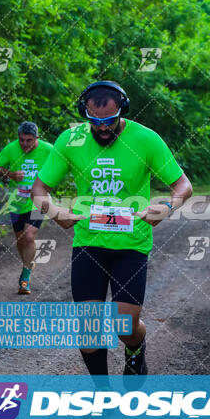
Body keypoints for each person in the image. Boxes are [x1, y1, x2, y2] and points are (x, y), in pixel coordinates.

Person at [31, 80, 193, 379]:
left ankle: (135, 349)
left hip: (131, 244)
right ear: (86, 114)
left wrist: (166, 208)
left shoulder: (146, 139)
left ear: (123, 111)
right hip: (89, 242)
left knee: (125, 324)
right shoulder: (71, 139)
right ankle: (102, 394)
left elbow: (183, 186)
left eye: (110, 121)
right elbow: (39, 189)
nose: (103, 128)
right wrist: (55, 213)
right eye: (95, 121)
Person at [0, 122, 53, 294]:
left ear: (37, 138)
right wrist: (10, 174)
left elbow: (62, 166)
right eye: (22, 140)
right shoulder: (11, 149)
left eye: (29, 140)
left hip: (39, 199)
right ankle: (28, 264)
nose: (25, 144)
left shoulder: (49, 149)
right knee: (20, 239)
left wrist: (49, 182)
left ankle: (25, 277)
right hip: (17, 200)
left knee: (29, 235)